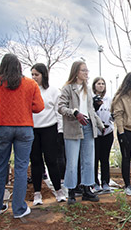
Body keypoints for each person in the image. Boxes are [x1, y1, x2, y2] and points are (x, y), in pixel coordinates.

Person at [0, 54, 44, 218]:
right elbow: (39, 107)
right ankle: (19, 209)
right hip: (24, 128)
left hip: (3, 127)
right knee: (21, 168)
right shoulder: (30, 84)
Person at [58, 60, 104, 205]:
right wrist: (75, 112)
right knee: (72, 160)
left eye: (87, 70)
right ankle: (71, 190)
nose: (86, 73)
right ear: (76, 72)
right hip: (73, 127)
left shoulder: (87, 90)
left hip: (88, 126)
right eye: (83, 70)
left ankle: (87, 189)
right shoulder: (67, 89)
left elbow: (90, 110)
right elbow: (60, 107)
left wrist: (100, 124)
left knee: (88, 159)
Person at [30, 63, 66, 205]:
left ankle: (59, 191)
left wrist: (60, 131)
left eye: (36, 75)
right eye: (32, 74)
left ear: (43, 75)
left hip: (49, 129)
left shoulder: (53, 91)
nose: (33, 77)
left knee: (52, 161)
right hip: (33, 130)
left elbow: (59, 112)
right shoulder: (29, 90)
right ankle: (37, 194)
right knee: (36, 162)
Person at [92, 77, 114, 194]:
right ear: (94, 85)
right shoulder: (91, 98)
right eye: (98, 84)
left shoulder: (109, 99)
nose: (101, 86)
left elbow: (112, 113)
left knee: (105, 158)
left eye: (103, 84)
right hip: (95, 133)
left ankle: (105, 182)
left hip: (108, 132)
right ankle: (95, 182)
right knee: (95, 158)